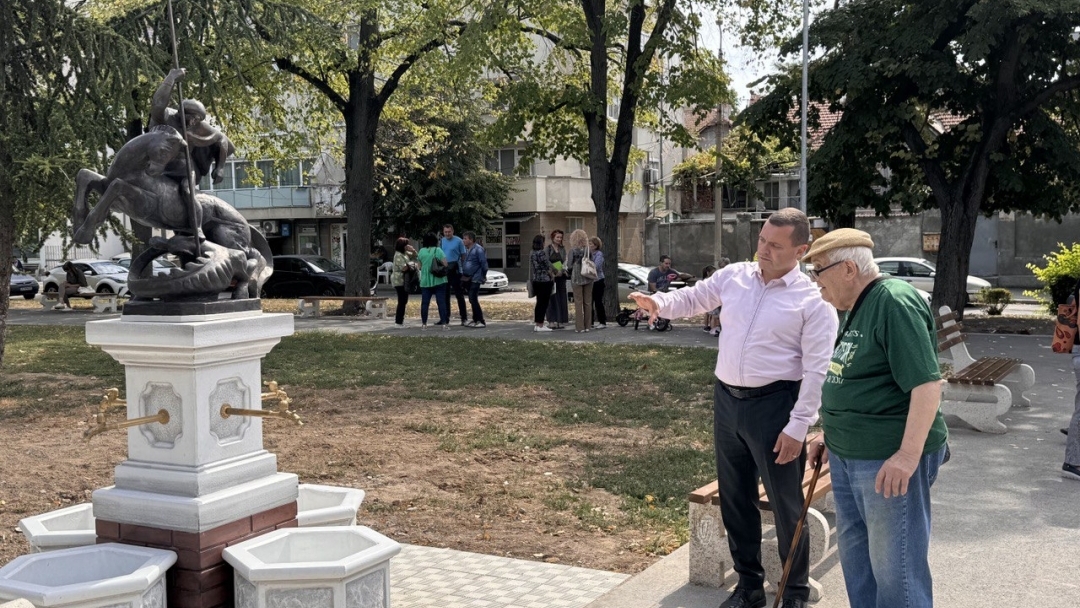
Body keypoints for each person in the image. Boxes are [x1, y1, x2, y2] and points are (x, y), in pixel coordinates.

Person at [629, 208, 838, 608]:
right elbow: (693, 297)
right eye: (762, 240)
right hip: (728, 402)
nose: (763, 249)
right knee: (735, 499)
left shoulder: (813, 300)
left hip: (776, 407)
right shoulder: (736, 276)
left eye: (775, 245)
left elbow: (817, 371)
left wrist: (799, 427)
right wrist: (657, 302)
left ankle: (793, 593)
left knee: (786, 506)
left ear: (801, 250)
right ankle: (749, 587)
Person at [802, 228, 949, 608]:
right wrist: (829, 434)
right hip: (849, 455)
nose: (814, 280)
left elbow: (927, 386)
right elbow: (855, 376)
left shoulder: (893, 302)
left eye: (818, 269)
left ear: (848, 268)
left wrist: (906, 456)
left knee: (896, 571)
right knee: (860, 563)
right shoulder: (858, 306)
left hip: (886, 459)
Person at [149, 68, 235, 195]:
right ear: (182, 113)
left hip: (184, 171)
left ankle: (197, 213)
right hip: (158, 167)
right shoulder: (166, 117)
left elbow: (225, 142)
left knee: (188, 192)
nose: (195, 121)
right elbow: (158, 103)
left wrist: (220, 167)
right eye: (193, 117)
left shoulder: (198, 126)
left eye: (198, 119)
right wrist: (171, 78)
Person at [417, 232, 450, 329]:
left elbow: (419, 266)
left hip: (425, 281)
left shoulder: (421, 251)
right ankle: (444, 324)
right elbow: (445, 264)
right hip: (439, 280)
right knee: (441, 302)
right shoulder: (438, 250)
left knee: (425, 303)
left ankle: (424, 324)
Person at [566, 229, 594, 333]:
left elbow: (569, 265)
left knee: (578, 302)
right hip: (588, 277)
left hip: (576, 278)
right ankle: (588, 326)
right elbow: (592, 262)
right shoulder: (588, 250)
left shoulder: (572, 251)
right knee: (588, 302)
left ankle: (579, 327)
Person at [461, 231, 489, 328]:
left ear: (471, 240)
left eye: (465, 238)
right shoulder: (468, 249)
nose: (463, 240)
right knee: (472, 299)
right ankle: (475, 319)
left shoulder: (478, 249)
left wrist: (483, 275)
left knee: (473, 298)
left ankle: (481, 320)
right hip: (468, 278)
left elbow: (484, 264)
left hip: (476, 278)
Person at [530, 234, 555, 332]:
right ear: (541, 243)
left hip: (536, 280)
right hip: (544, 280)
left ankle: (537, 323)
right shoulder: (541, 253)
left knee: (539, 302)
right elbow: (546, 265)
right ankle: (541, 324)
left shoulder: (533, 253)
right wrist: (552, 274)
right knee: (544, 303)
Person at [390, 237, 417, 328]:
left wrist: (413, 250)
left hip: (405, 280)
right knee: (401, 300)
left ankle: (401, 321)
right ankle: (398, 322)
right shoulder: (398, 255)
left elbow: (415, 257)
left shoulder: (404, 253)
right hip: (399, 280)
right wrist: (412, 265)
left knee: (404, 300)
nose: (407, 246)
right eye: (406, 245)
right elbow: (403, 268)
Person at [545, 230, 569, 329]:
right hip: (551, 277)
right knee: (552, 298)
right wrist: (555, 271)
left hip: (561, 276)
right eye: (557, 237)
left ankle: (561, 320)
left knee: (562, 298)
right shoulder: (548, 249)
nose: (559, 239)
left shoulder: (562, 249)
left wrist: (562, 270)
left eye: (560, 237)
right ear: (553, 238)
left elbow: (565, 261)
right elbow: (546, 261)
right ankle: (551, 320)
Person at [589, 237, 607, 329]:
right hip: (589, 281)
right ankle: (590, 321)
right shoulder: (588, 254)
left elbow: (597, 266)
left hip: (598, 280)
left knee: (598, 302)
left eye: (591, 244)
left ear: (596, 246)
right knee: (589, 302)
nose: (590, 245)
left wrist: (588, 265)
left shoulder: (599, 254)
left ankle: (602, 321)